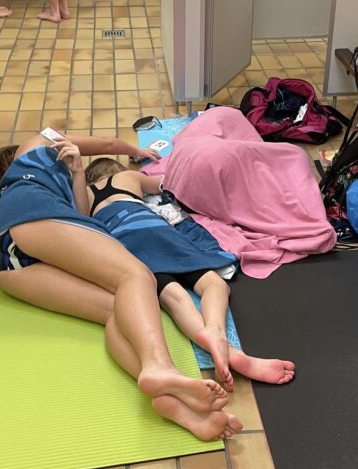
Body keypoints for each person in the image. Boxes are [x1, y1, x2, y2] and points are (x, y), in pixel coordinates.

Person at [0, 133, 243, 441]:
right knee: (137, 276)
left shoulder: (22, 188)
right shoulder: (38, 143)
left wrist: (78, 171)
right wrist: (136, 150)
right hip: (29, 215)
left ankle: (179, 406)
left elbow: (79, 218)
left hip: (3, 260)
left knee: (116, 308)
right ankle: (160, 365)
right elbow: (107, 145)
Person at [84, 158, 297, 393]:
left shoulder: (85, 195)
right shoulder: (128, 177)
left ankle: (230, 352)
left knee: (174, 298)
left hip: (127, 244)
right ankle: (215, 330)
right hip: (158, 231)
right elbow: (161, 186)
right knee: (214, 284)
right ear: (116, 170)